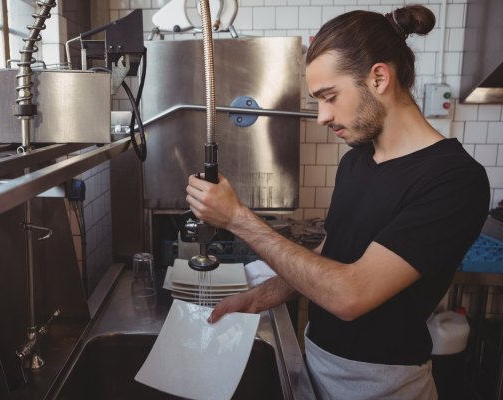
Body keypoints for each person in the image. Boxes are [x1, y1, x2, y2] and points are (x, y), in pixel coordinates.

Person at [185, 4, 491, 399]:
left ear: (379, 77)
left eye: (329, 97)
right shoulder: (356, 162)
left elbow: (350, 294)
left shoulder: (453, 179)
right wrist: (261, 296)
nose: (321, 116)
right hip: (315, 364)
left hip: (383, 387)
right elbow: (334, 254)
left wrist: (238, 218)